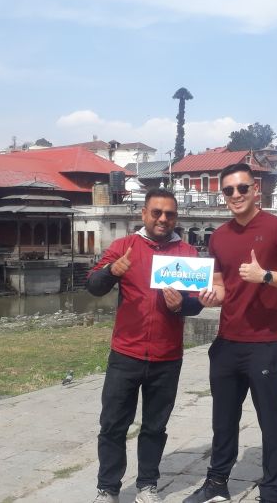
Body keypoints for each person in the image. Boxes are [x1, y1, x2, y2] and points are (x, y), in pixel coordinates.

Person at [184, 163, 277, 503]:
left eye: (242, 188)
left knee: (270, 420)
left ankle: (271, 490)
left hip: (264, 342)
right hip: (227, 341)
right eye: (228, 190)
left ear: (256, 189)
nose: (236, 195)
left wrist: (267, 276)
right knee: (223, 419)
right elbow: (220, 288)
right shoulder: (220, 237)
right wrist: (210, 298)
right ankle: (216, 483)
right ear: (222, 195)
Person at [86, 188, 204, 503]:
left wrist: (182, 305)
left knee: (155, 426)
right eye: (157, 212)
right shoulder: (124, 247)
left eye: (170, 214)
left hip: (167, 356)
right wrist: (112, 271)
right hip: (126, 353)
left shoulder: (188, 255)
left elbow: (196, 305)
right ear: (144, 214)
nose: (163, 219)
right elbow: (93, 286)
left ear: (176, 217)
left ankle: (147, 486)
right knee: (112, 424)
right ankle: (107, 488)